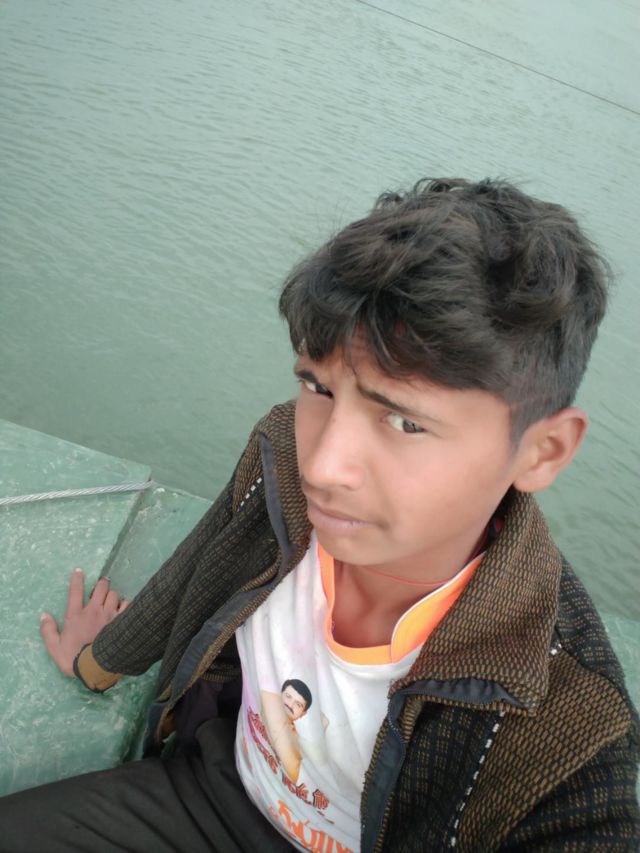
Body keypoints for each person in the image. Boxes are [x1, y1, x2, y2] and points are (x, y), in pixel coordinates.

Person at [1, 177, 638, 852]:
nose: (324, 465)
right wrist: (100, 660)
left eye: (404, 421)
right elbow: (203, 560)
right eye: (318, 386)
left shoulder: (567, 721)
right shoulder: (282, 452)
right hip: (213, 792)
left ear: (541, 451)